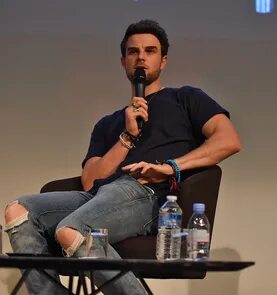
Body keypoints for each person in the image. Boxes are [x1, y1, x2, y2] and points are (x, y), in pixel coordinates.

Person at [4, 19, 241, 295]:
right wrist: (127, 137)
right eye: (133, 52)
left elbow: (229, 140)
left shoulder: (185, 98)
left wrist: (170, 167)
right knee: (18, 211)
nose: (141, 57)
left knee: (73, 230)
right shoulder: (109, 123)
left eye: (150, 51)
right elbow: (91, 179)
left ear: (163, 61)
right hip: (99, 196)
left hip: (148, 195)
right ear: (123, 62)